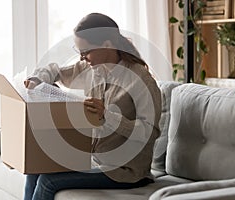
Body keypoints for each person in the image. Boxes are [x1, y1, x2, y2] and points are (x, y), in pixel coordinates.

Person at [23, 12, 161, 200]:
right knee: (36, 166)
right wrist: (36, 79)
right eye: (78, 52)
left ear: (107, 45)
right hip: (93, 161)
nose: (82, 58)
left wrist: (107, 116)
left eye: (86, 52)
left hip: (125, 171)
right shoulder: (91, 70)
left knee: (49, 181)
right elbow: (56, 72)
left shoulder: (141, 80)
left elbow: (149, 133)